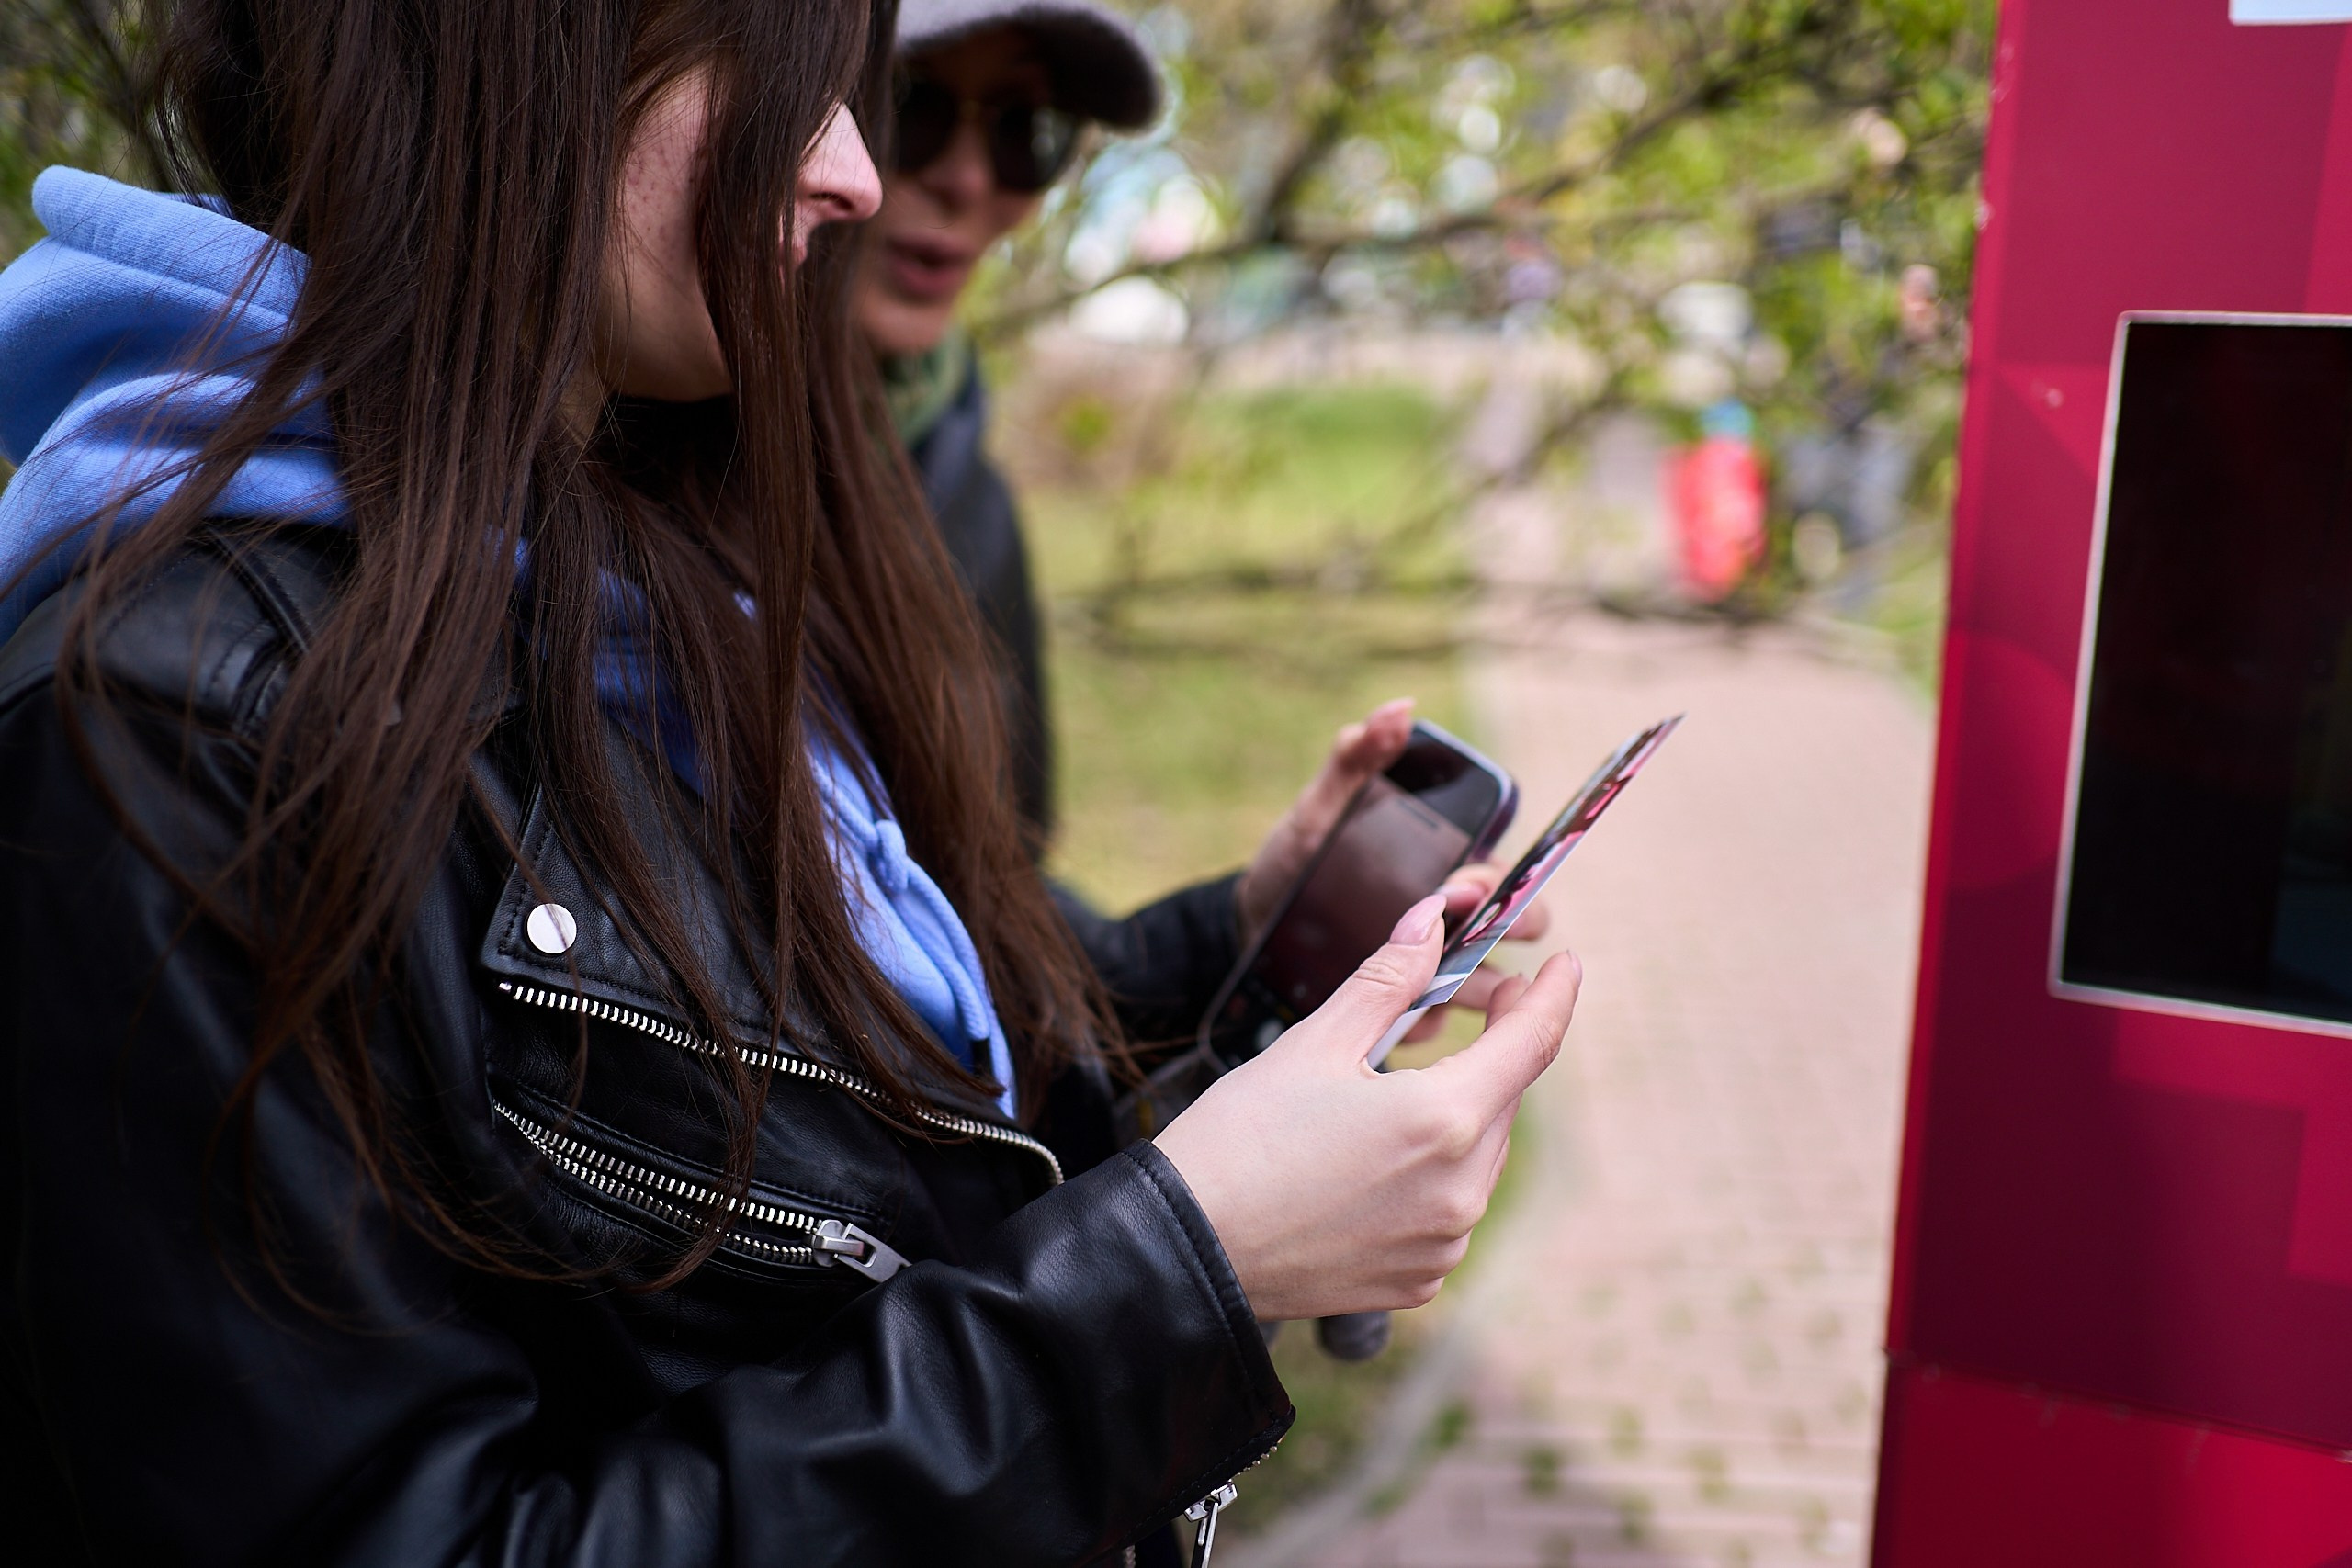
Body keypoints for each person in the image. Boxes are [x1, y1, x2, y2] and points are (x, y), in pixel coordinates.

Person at [0, 3, 1584, 1565]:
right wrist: (1181, 1275)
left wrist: (1224, 965)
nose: (862, 174)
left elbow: (827, 1094)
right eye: (795, 80)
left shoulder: (635, 549)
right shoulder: (169, 732)